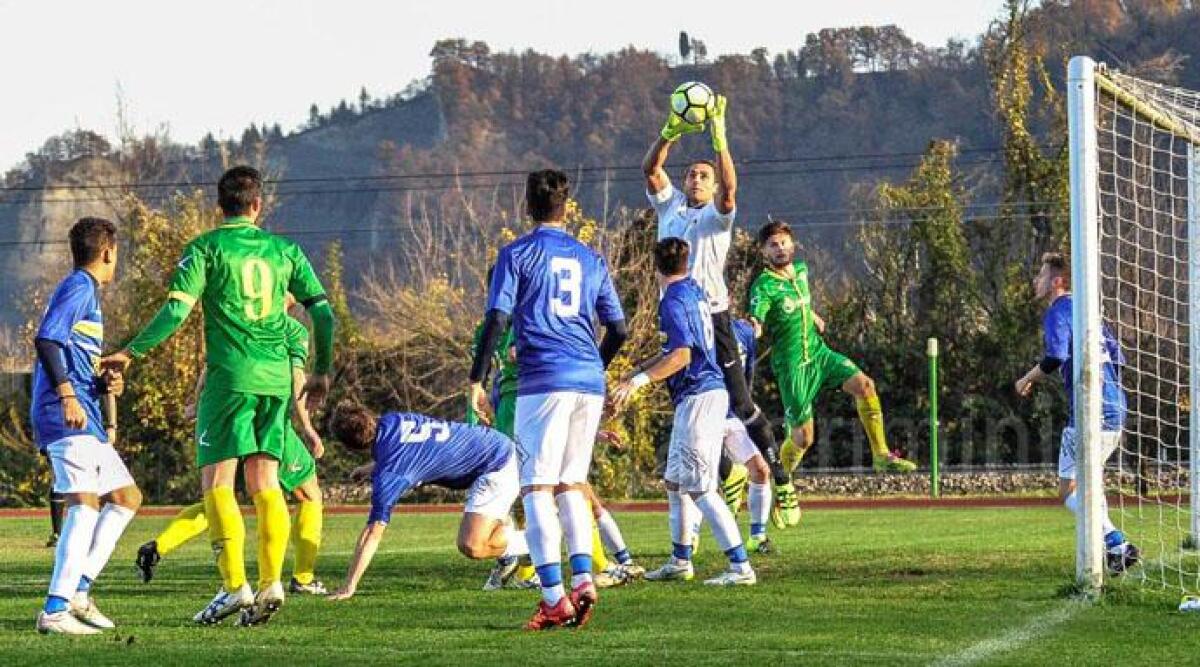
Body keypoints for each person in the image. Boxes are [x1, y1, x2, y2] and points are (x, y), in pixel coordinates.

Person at [102, 166, 335, 626]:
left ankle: (235, 589)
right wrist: (322, 371)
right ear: (257, 205)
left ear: (219, 205)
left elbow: (175, 311)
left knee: (217, 485)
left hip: (229, 379)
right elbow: (323, 314)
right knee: (267, 485)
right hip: (274, 382)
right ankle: (272, 582)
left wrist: (132, 351)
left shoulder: (205, 248)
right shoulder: (284, 250)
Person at [469, 169, 628, 629]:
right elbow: (618, 328)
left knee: (537, 488)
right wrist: (596, 365)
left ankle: (554, 598)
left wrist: (476, 379)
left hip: (543, 378)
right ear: (565, 203)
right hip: (588, 380)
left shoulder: (516, 254)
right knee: (570, 484)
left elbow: (498, 319)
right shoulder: (589, 257)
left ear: (527, 204)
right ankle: (584, 580)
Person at [641, 90, 800, 526]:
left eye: (702, 175)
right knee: (695, 405)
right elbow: (651, 169)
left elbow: (731, 189)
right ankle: (717, 488)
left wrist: (719, 137)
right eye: (691, 173)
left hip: (714, 318)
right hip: (676, 317)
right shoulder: (670, 205)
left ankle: (780, 480)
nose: (695, 178)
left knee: (741, 403)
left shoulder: (717, 215)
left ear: (710, 187)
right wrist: (669, 131)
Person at [136, 310, 327, 594]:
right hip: (268, 416)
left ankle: (158, 547)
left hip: (226, 409)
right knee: (305, 493)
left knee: (221, 493)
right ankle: (300, 577)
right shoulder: (292, 329)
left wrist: (198, 402)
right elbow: (296, 379)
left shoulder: (241, 319)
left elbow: (212, 365)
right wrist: (308, 428)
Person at [611, 237, 756, 586]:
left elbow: (682, 357)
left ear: (654, 266)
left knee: (702, 489)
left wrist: (639, 382)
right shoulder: (694, 291)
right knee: (675, 484)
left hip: (699, 397)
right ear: (687, 263)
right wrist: (632, 374)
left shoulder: (673, 302)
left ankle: (740, 567)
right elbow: (673, 350)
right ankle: (680, 560)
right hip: (701, 396)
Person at [33, 218, 142, 635]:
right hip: (63, 415)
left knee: (126, 497)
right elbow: (47, 340)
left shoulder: (85, 292)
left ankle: (78, 592)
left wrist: (99, 384)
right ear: (109, 252)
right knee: (84, 503)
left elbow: (70, 355)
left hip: (86, 416)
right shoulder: (79, 286)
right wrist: (67, 395)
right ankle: (55, 609)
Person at [750, 221, 918, 478]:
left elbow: (795, 303)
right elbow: (757, 315)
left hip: (819, 354)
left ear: (792, 244)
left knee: (865, 386)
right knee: (804, 438)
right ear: (764, 252)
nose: (780, 248)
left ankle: (881, 456)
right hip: (793, 366)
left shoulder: (801, 271)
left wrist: (811, 315)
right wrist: (754, 326)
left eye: (784, 242)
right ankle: (779, 485)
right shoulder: (764, 285)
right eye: (773, 245)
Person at [1014, 252, 1140, 575]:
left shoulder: (1058, 311)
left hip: (1089, 413)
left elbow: (1055, 355)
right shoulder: (1089, 313)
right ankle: (1115, 549)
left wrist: (1027, 379)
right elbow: (1117, 357)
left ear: (1057, 281)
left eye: (1041, 275)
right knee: (1090, 482)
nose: (1035, 280)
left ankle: (1116, 543)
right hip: (1116, 409)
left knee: (1068, 488)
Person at [325, 403, 528, 600]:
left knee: (472, 545)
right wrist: (371, 468)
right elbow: (408, 449)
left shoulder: (390, 473)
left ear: (351, 447)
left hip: (496, 463)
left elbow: (372, 532)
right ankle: (509, 546)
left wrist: (349, 585)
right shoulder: (392, 420)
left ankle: (537, 541)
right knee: (476, 539)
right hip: (491, 444)